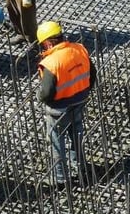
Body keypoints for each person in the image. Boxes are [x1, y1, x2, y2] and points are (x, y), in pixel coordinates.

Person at [36, 21, 97, 186]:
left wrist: (39, 96)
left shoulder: (51, 63)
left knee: (56, 140)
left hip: (59, 109)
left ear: (48, 42)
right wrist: (81, 91)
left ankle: (60, 178)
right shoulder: (79, 49)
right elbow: (92, 74)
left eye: (43, 44)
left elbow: (47, 92)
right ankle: (81, 167)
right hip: (80, 101)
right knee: (77, 134)